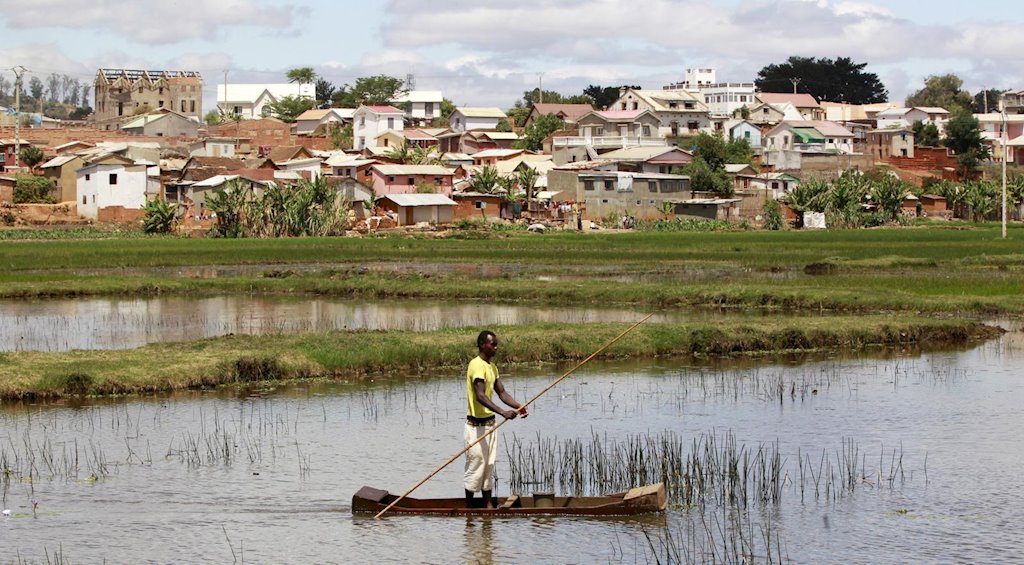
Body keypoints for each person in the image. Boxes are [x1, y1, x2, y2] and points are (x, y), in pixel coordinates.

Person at [464, 330, 528, 509]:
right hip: (475, 427)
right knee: (476, 466)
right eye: (493, 344)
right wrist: (503, 412)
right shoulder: (476, 365)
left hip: (490, 426)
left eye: (496, 344)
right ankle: (468, 510)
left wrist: (518, 406)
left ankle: (488, 508)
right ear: (483, 345)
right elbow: (480, 396)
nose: (496, 347)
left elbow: (501, 392)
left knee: (488, 467)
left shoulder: (492, 367)